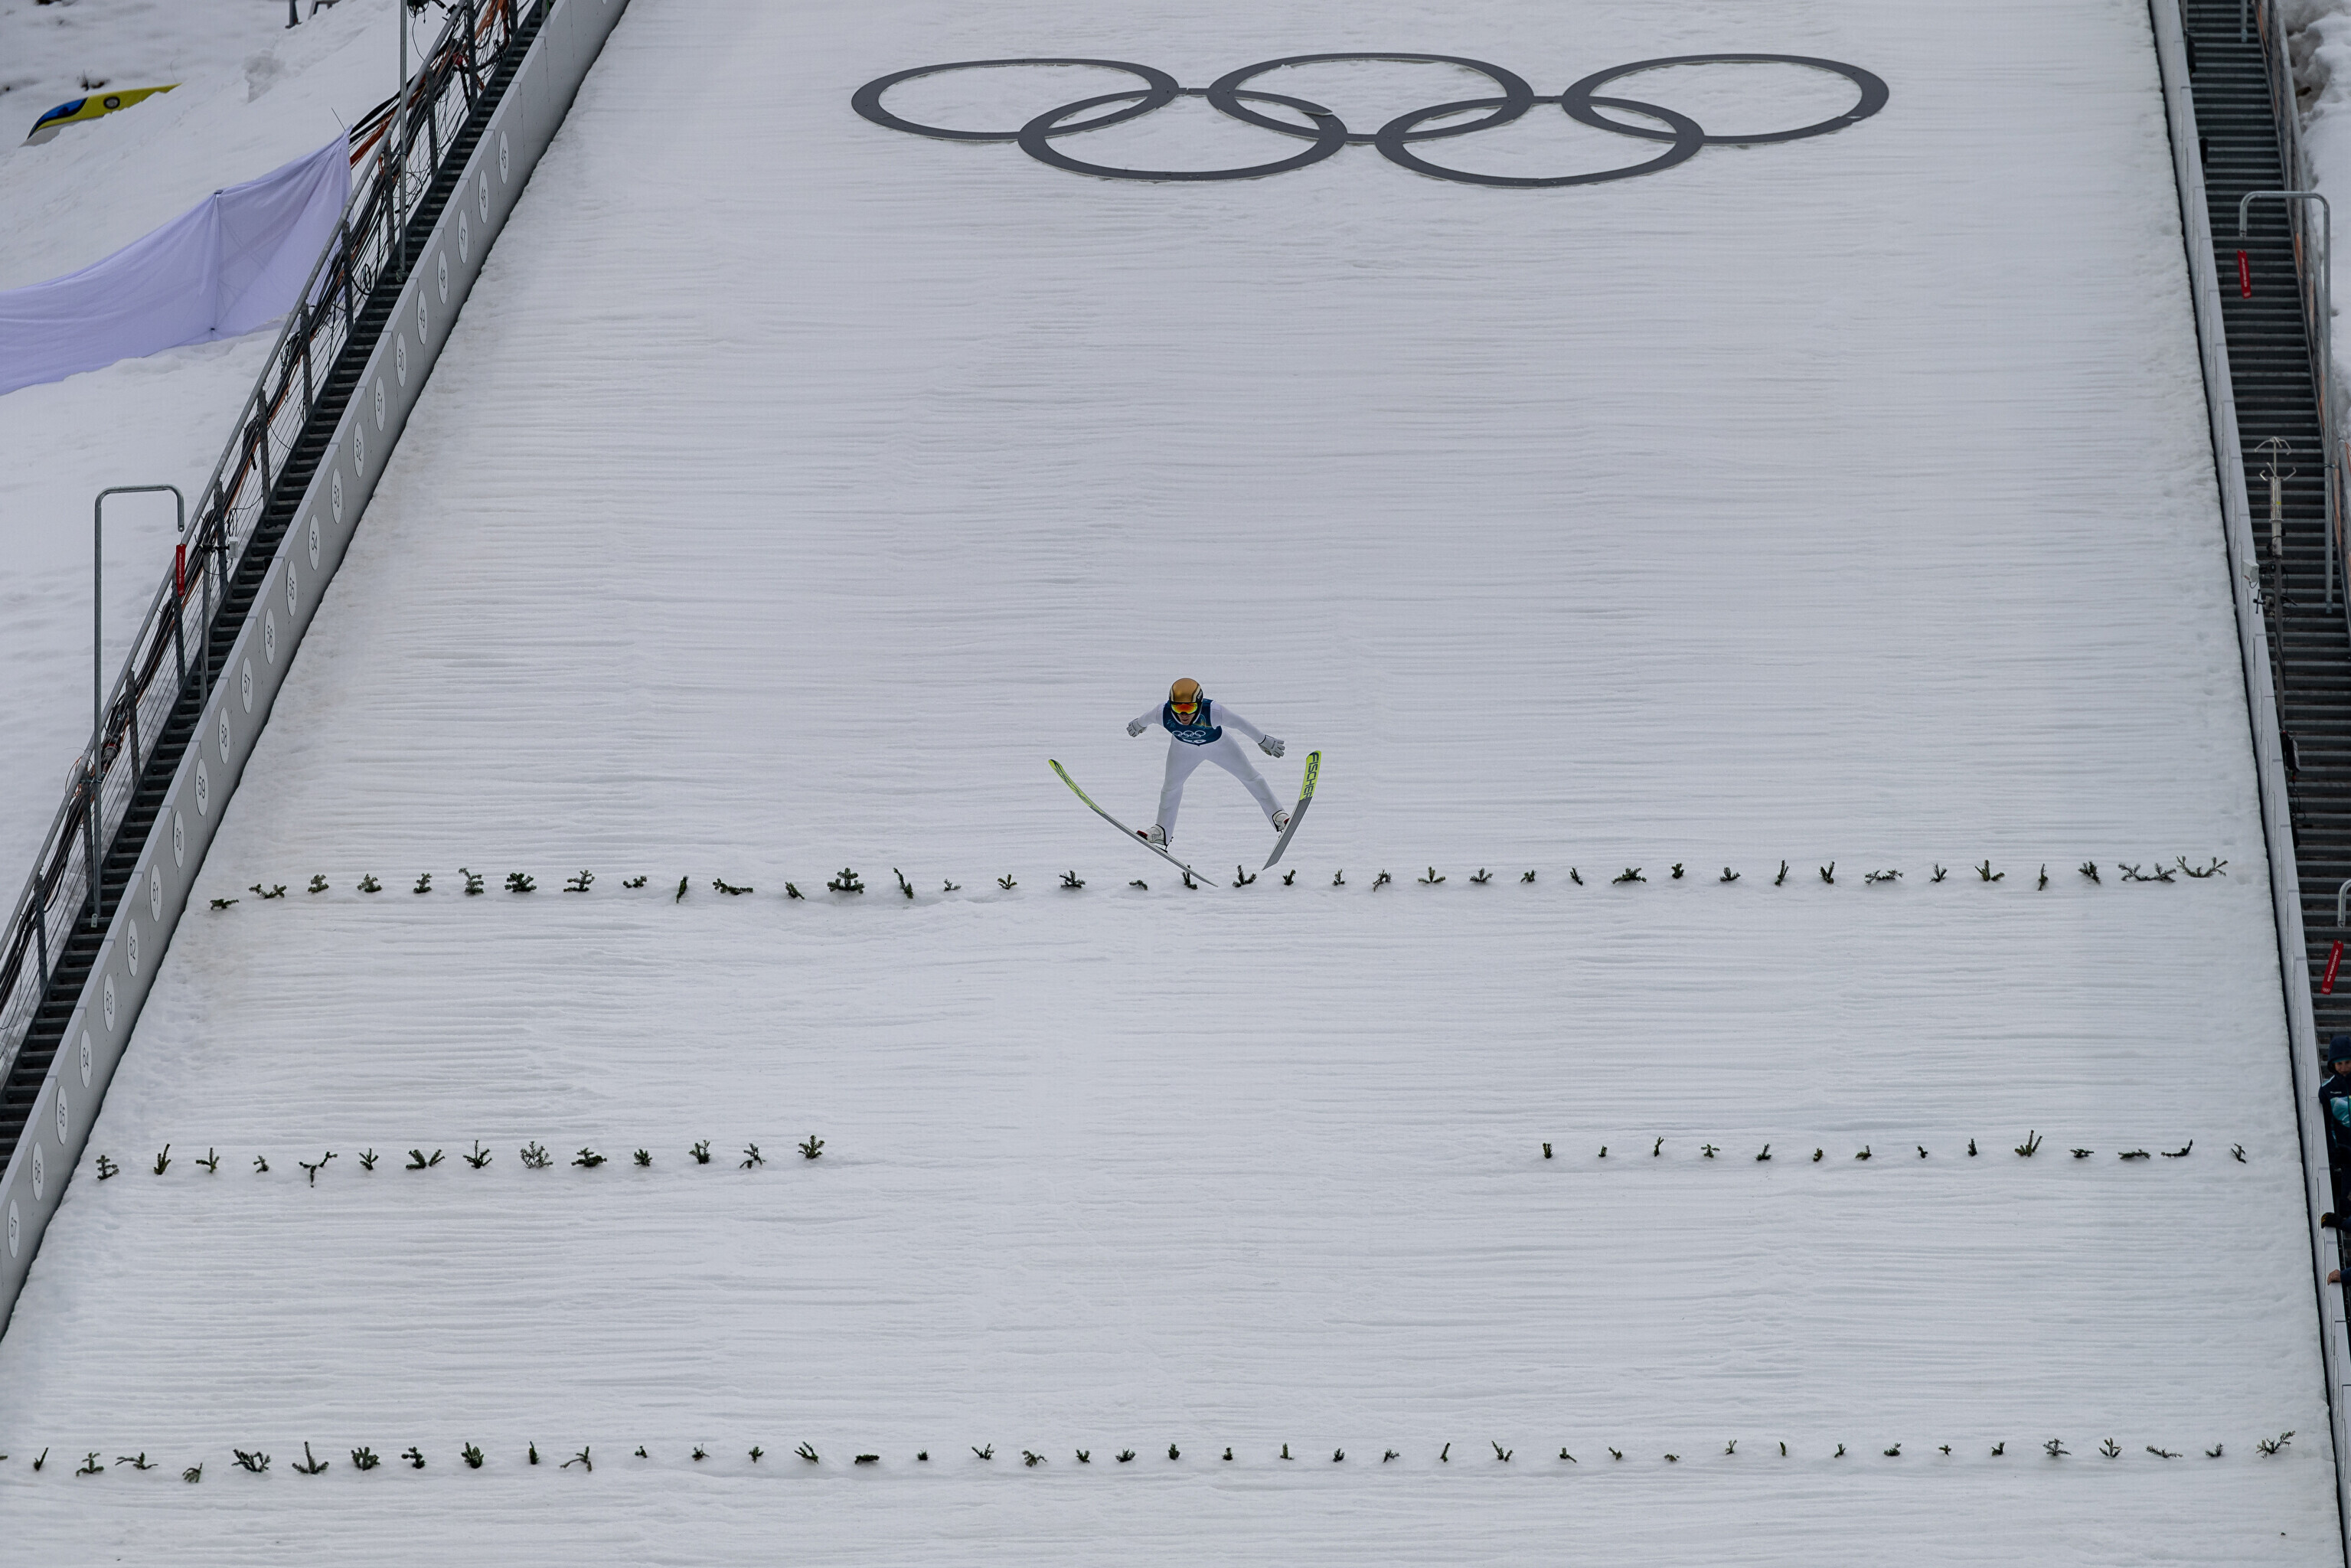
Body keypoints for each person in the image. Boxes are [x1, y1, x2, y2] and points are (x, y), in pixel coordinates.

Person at [1125, 677, 1288, 848]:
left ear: (1200, 704)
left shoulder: (1213, 711)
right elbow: (1146, 719)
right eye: (1178, 708)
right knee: (1170, 787)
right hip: (1183, 750)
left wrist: (1263, 740)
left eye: (1189, 708)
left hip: (1219, 746)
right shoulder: (1162, 713)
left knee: (1250, 777)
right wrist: (1138, 724)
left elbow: (1241, 724)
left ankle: (1278, 816)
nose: (1183, 714)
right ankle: (1162, 831)